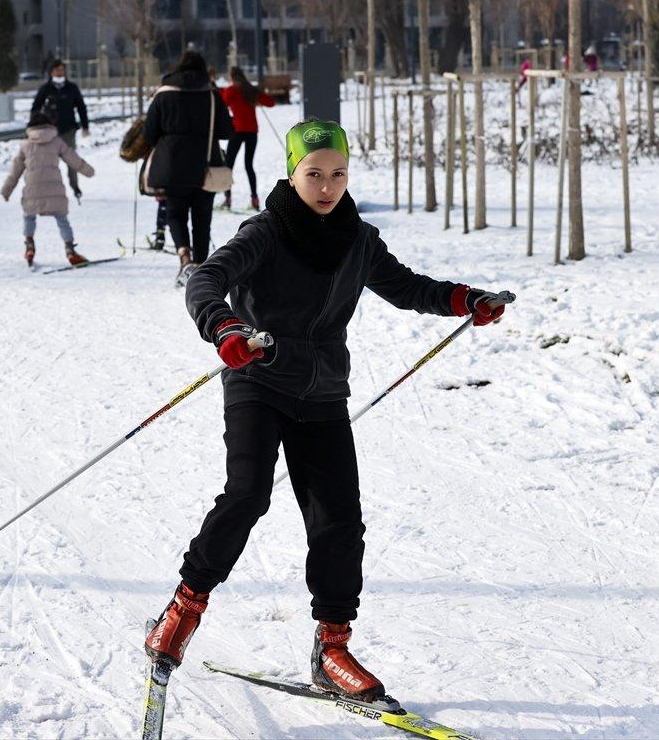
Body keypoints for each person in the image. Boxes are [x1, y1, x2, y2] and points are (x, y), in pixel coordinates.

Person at [143, 119, 511, 701]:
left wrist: (465, 299)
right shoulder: (265, 231)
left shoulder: (357, 239)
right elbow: (206, 279)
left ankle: (331, 647)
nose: (326, 186)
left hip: (321, 394)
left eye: (338, 174)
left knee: (339, 519)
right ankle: (184, 607)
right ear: (292, 173)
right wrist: (225, 327)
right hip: (258, 379)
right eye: (314, 173)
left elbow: (407, 287)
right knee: (247, 495)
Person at [142, 50, 233, 282]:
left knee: (175, 213)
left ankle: (184, 257)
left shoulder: (163, 94)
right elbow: (226, 130)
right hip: (205, 164)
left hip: (171, 166)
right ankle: (201, 267)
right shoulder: (211, 94)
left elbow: (149, 134)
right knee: (202, 218)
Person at [1, 111, 95, 267]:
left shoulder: (25, 145)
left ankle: (29, 245)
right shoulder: (56, 141)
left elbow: (15, 170)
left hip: (33, 188)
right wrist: (88, 171)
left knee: (29, 216)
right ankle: (70, 250)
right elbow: (73, 158)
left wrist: (7, 190)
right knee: (62, 219)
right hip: (54, 189)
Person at [31, 60, 90, 206]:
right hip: (50, 132)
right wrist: (34, 127)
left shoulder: (71, 88)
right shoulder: (46, 89)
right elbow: (35, 108)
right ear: (51, 72)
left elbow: (81, 107)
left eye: (62, 70)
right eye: (57, 70)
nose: (60, 72)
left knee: (71, 160)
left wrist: (85, 126)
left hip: (68, 130)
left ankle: (75, 187)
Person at [219, 66, 276, 211]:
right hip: (252, 131)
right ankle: (255, 199)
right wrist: (258, 96)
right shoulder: (250, 90)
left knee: (229, 165)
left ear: (232, 77)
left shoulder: (231, 90)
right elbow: (271, 103)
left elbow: (222, 102)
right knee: (249, 165)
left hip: (237, 131)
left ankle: (228, 199)